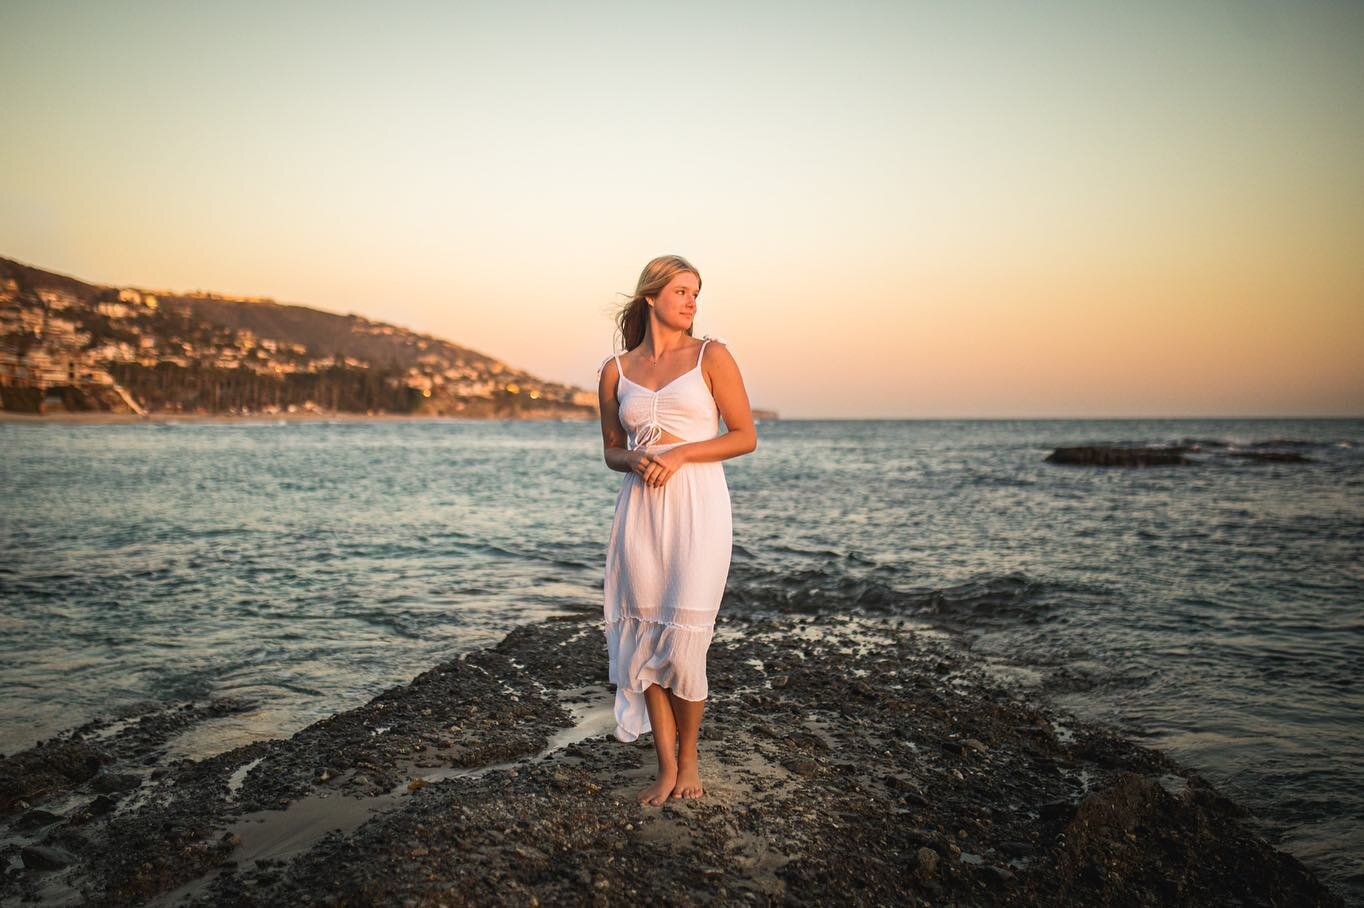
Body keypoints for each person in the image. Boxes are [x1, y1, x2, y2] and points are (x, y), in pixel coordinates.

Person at [595, 254, 757, 805]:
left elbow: (744, 436)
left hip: (698, 511)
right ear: (652, 297)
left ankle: (690, 760)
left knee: (685, 643)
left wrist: (682, 453)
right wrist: (634, 461)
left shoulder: (712, 355)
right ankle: (666, 768)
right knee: (647, 637)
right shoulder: (615, 368)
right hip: (640, 513)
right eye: (682, 291)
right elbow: (611, 451)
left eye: (696, 292)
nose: (691, 301)